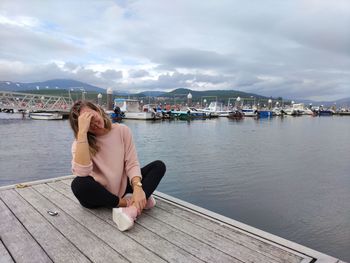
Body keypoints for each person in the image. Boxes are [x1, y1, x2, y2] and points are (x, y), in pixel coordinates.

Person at [68, 100, 166, 231]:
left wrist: (137, 188)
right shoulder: (79, 144)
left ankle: (133, 209)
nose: (94, 124)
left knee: (158, 166)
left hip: (124, 186)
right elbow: (81, 173)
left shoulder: (122, 131)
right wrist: (82, 133)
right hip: (101, 196)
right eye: (88, 123)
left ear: (98, 110)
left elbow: (132, 163)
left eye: (92, 117)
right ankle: (132, 202)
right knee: (78, 184)